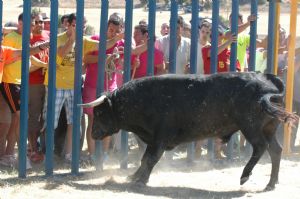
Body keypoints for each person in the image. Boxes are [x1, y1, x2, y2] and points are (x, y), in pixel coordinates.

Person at [0, 40, 50, 167]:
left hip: (14, 84)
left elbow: (24, 53)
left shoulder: (4, 51)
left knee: (21, 118)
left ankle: (18, 156)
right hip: (10, 83)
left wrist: (42, 46)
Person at [27, 13, 50, 163]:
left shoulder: (48, 35)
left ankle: (42, 149)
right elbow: (28, 60)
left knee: (45, 117)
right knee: (34, 117)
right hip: (33, 83)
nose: (39, 24)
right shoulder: (27, 38)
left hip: (48, 82)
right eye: (36, 22)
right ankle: (33, 148)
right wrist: (44, 65)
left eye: (41, 22)